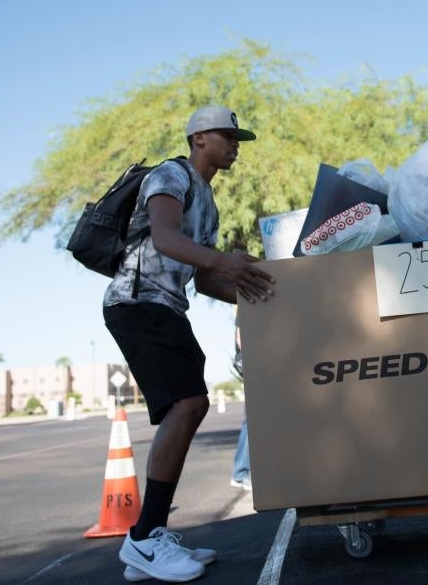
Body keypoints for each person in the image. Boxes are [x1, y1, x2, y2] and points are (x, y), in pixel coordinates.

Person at [105, 105, 275, 581]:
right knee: (188, 404)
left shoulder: (209, 202)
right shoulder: (171, 175)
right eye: (228, 135)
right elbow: (163, 237)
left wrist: (262, 288)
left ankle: (147, 539)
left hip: (166, 306)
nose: (235, 143)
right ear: (200, 138)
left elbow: (203, 279)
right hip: (137, 301)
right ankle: (144, 539)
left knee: (191, 404)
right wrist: (225, 261)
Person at [229, 316, 252, 491]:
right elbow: (240, 335)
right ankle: (240, 473)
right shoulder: (249, 295)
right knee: (254, 418)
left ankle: (243, 472)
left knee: (257, 418)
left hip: (257, 360)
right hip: (251, 361)